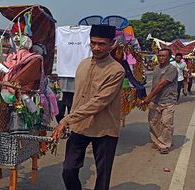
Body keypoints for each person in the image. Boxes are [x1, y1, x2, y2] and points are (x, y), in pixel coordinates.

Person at [52, 24, 125, 190]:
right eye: (93, 43)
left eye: (101, 44)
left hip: (104, 128)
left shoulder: (116, 70)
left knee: (103, 176)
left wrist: (66, 119)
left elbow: (99, 101)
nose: (96, 47)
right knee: (68, 169)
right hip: (80, 126)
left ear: (112, 44)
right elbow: (77, 96)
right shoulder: (83, 64)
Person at [140, 48, 178, 154]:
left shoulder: (171, 69)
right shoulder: (156, 68)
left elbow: (161, 84)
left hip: (168, 100)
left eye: (164, 56)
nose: (161, 58)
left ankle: (164, 144)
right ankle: (157, 140)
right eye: (159, 55)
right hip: (155, 100)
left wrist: (147, 98)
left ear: (169, 57)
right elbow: (154, 84)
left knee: (166, 123)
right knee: (153, 122)